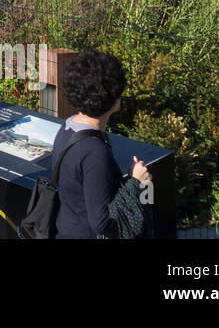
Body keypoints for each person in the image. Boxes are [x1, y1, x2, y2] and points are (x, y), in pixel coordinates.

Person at [53, 51, 153, 239]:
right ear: (113, 98)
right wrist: (136, 181)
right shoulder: (94, 151)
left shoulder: (67, 127)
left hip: (68, 228)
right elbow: (101, 222)